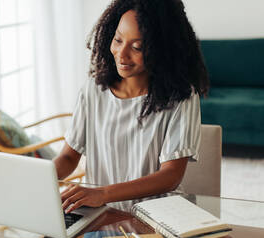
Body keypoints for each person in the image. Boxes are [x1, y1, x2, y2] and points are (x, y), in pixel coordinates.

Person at [53, 0, 209, 213]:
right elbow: (69, 157)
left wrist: (103, 194)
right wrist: (42, 178)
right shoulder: (93, 90)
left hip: (159, 218)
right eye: (118, 40)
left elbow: (170, 176)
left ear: (161, 49)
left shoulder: (181, 97)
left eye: (137, 47)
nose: (122, 54)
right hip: (101, 215)